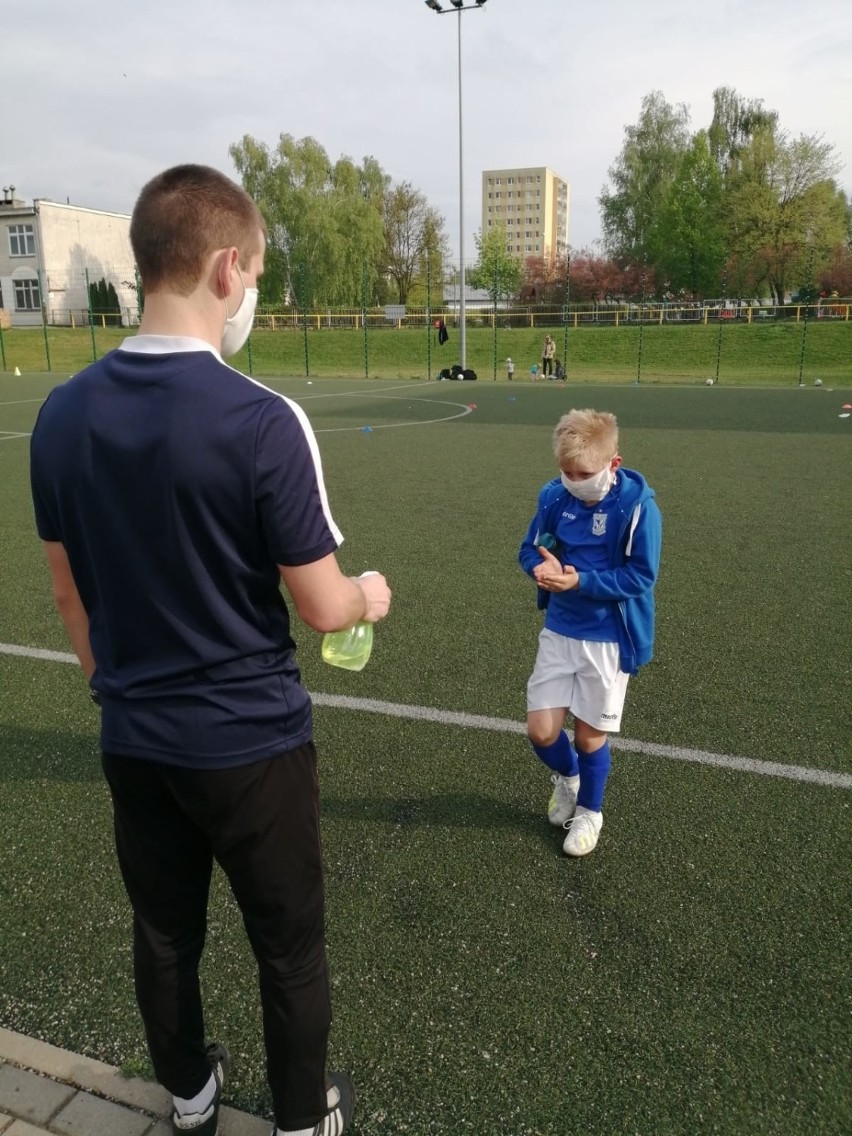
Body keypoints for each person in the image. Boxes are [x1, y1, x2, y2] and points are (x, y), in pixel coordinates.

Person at [30, 164, 391, 1136]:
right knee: (289, 949)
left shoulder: (59, 415)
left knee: (165, 932)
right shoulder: (265, 421)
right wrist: (371, 592)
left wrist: (117, 689)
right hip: (250, 746)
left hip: (136, 738)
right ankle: (301, 1122)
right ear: (228, 268)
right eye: (260, 274)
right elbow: (323, 606)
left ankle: (188, 1098)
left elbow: (69, 593)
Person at [518, 409, 661, 857]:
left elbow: (641, 576)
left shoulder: (638, 507)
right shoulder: (554, 496)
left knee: (588, 736)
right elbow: (528, 548)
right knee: (541, 732)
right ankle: (570, 779)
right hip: (559, 631)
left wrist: (581, 581)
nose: (573, 480)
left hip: (608, 638)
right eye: (565, 471)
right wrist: (541, 567)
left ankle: (590, 812)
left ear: (612, 465)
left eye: (583, 473)